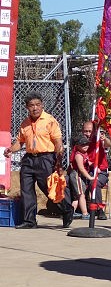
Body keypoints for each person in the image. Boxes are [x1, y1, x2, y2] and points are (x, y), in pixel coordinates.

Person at [3, 91, 73, 229]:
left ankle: (67, 209)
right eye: (31, 105)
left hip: (46, 158)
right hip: (29, 159)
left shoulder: (50, 120)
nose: (35, 108)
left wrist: (59, 160)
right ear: (27, 107)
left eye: (37, 105)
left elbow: (58, 142)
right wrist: (11, 149)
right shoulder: (25, 123)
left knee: (49, 189)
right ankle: (29, 221)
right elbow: (20, 142)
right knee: (26, 190)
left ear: (42, 105)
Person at [79, 121, 111, 220]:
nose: (88, 134)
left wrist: (104, 139)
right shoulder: (80, 142)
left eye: (90, 131)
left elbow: (108, 144)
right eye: (85, 131)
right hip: (86, 171)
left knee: (94, 182)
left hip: (100, 172)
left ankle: (99, 209)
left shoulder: (98, 140)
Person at [67, 135, 92, 220]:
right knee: (81, 195)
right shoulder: (78, 155)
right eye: (82, 145)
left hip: (81, 176)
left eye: (87, 144)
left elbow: (88, 163)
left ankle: (71, 212)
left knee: (78, 196)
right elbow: (81, 168)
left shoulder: (85, 154)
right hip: (77, 175)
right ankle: (85, 213)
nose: (85, 146)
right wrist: (89, 177)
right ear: (77, 146)